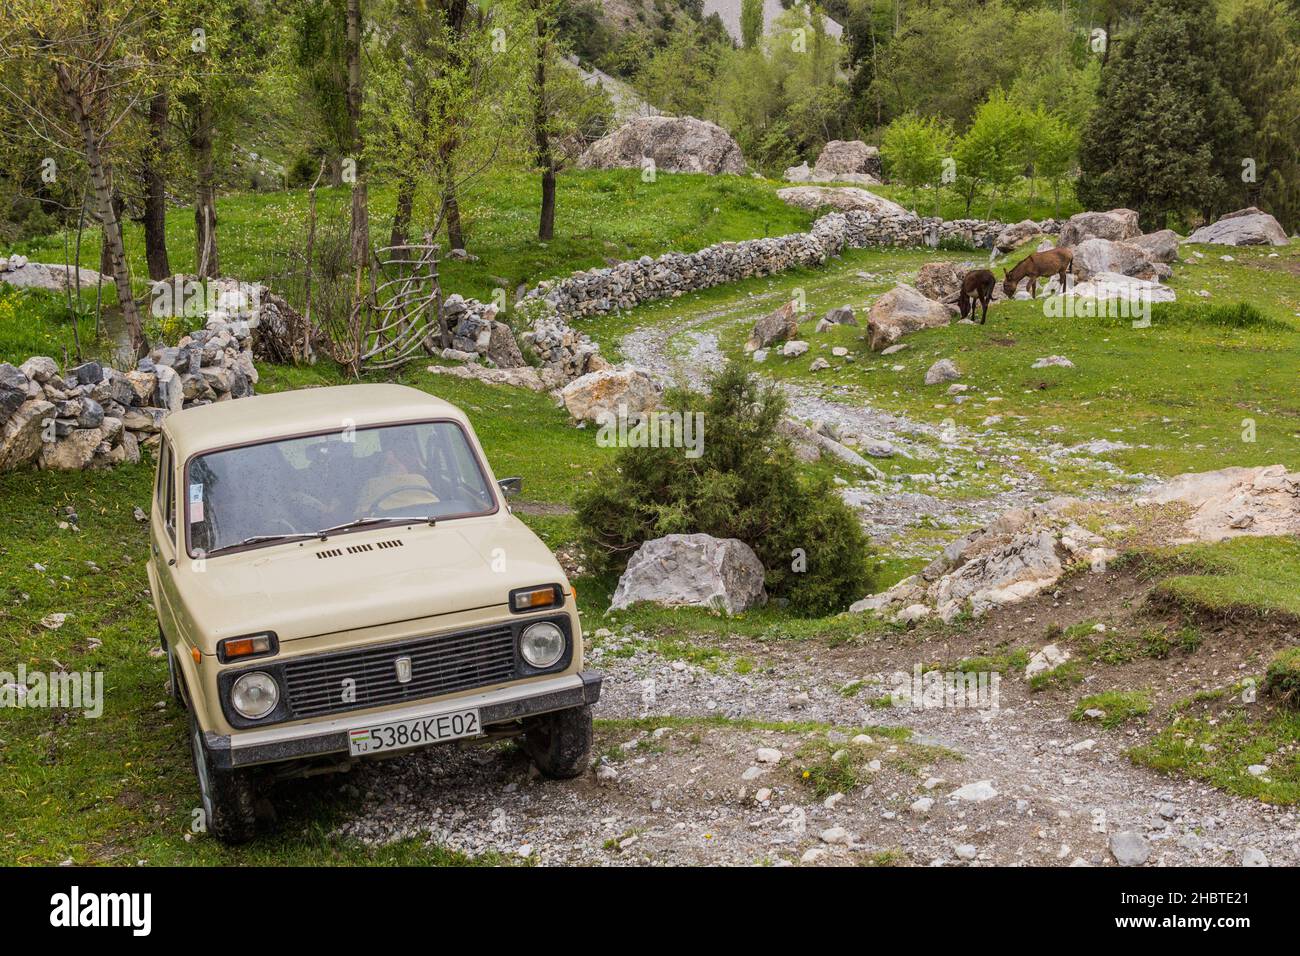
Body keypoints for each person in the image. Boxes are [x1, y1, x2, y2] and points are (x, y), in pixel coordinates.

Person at [354, 427, 440, 515]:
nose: (415, 457)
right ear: (390, 457)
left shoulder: (370, 486)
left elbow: (360, 517)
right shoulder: (421, 481)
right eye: (409, 450)